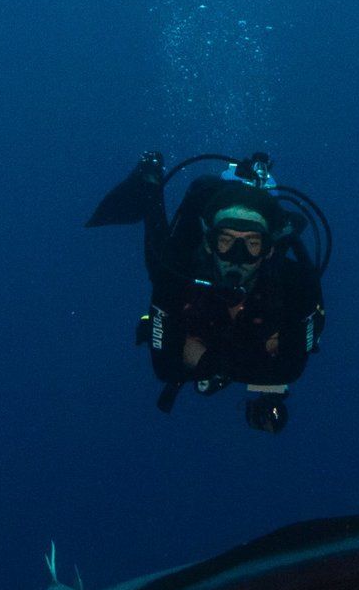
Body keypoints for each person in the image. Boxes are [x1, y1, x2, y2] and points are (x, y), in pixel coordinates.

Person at [87, 151, 327, 433]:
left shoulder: (296, 283)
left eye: (251, 244)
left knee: (162, 268)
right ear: (209, 243)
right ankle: (150, 183)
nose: (237, 257)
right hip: (193, 266)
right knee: (161, 264)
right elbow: (164, 368)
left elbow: (291, 370)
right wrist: (253, 360)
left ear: (269, 250)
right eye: (226, 241)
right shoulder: (180, 274)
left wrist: (207, 361)